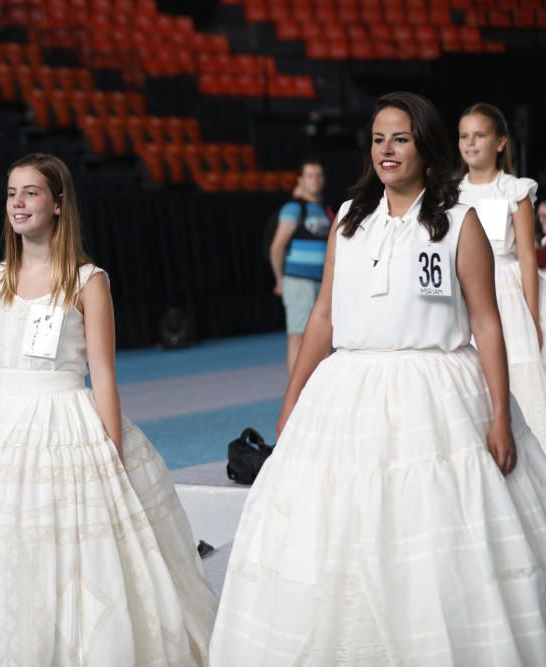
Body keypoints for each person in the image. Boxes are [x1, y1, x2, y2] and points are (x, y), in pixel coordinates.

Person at [209, 92, 546, 664]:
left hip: (439, 394)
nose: (387, 150)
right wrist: (290, 403)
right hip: (348, 392)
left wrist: (498, 416)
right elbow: (322, 317)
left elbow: (487, 324)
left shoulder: (459, 222)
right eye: (378, 139)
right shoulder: (347, 220)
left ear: (425, 146)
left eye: (401, 138)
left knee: (437, 542)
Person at [0, 153, 218, 665]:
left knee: (76, 548)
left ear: (58, 204)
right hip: (3, 422)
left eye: (31, 193)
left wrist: (113, 453)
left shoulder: (87, 281)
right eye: (12, 193)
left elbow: (103, 373)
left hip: (67, 419)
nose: (18, 203)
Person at [458, 102, 546, 451]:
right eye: (464, 136)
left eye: (480, 135)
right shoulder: (453, 193)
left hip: (508, 294)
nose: (471, 143)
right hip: (467, 294)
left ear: (500, 142)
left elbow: (526, 253)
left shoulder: (514, 190)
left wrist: (533, 314)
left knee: (519, 371)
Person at [268, 159, 335, 374]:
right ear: (301, 180)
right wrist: (280, 280)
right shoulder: (293, 208)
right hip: (298, 281)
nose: (315, 180)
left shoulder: (325, 210)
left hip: (323, 283)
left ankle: (322, 390)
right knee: (298, 335)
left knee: (325, 335)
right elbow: (277, 247)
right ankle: (295, 394)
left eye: (318, 175)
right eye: (309, 175)